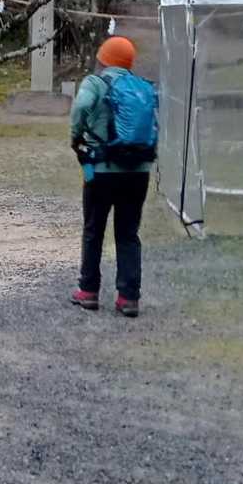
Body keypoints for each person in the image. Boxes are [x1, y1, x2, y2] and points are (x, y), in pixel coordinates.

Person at [69, 35, 156, 317]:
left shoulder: (95, 83)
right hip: (138, 172)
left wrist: (76, 135)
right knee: (128, 233)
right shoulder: (141, 87)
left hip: (102, 170)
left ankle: (88, 291)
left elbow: (81, 107)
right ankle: (128, 297)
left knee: (94, 230)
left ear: (104, 58)